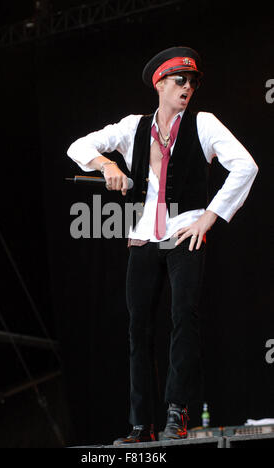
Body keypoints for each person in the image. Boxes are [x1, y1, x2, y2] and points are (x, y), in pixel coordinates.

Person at [67, 46, 259, 444]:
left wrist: (210, 216)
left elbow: (246, 166)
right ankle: (141, 424)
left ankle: (177, 413)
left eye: (193, 81)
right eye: (180, 80)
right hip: (142, 236)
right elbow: (77, 147)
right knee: (138, 329)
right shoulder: (132, 127)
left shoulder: (203, 123)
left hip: (184, 231)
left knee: (182, 319)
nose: (188, 87)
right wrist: (108, 166)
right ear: (160, 83)